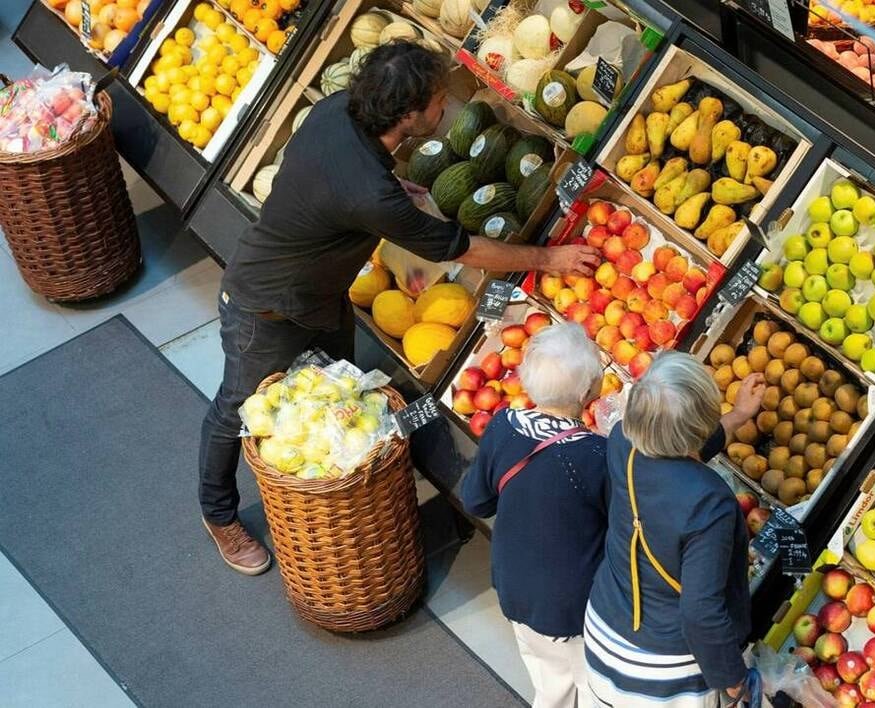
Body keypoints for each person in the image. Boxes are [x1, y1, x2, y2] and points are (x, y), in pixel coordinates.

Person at [199, 41, 600, 575]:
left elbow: (337, 180)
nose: (444, 108)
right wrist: (548, 257)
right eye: (438, 101)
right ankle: (219, 515)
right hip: (267, 308)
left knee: (343, 398)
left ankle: (357, 496)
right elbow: (462, 247)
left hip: (320, 298)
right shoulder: (371, 194)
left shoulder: (334, 111)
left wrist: (388, 190)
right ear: (408, 116)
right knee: (236, 408)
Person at [585, 352, 765, 707]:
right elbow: (700, 611)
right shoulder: (708, 503)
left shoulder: (623, 441)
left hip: (603, 628)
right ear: (700, 426)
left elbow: (676, 450)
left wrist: (739, 416)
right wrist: (731, 678)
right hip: (660, 671)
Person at [460, 322, 608, 708]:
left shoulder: (503, 426)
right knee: (594, 688)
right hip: (573, 605)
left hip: (515, 586)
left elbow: (475, 501)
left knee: (550, 683)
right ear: (587, 392)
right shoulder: (595, 456)